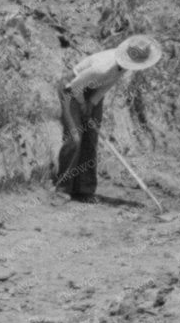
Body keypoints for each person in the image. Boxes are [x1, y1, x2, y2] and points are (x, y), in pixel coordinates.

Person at [54, 35, 164, 202]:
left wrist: (92, 102)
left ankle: (84, 189)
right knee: (75, 139)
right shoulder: (103, 67)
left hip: (91, 90)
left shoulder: (124, 65)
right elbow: (75, 86)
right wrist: (83, 104)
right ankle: (62, 187)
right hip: (71, 89)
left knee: (91, 138)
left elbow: (108, 84)